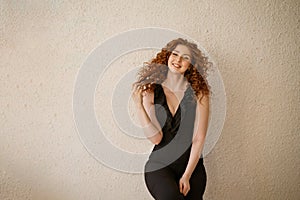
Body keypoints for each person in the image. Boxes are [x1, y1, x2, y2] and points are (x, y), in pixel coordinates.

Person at [132, 38, 212, 200]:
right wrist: (138, 105)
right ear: (167, 57)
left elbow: (199, 138)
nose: (178, 60)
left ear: (191, 65)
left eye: (186, 58)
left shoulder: (199, 93)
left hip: (192, 166)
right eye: (175, 54)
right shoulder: (152, 91)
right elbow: (156, 138)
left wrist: (187, 175)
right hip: (160, 165)